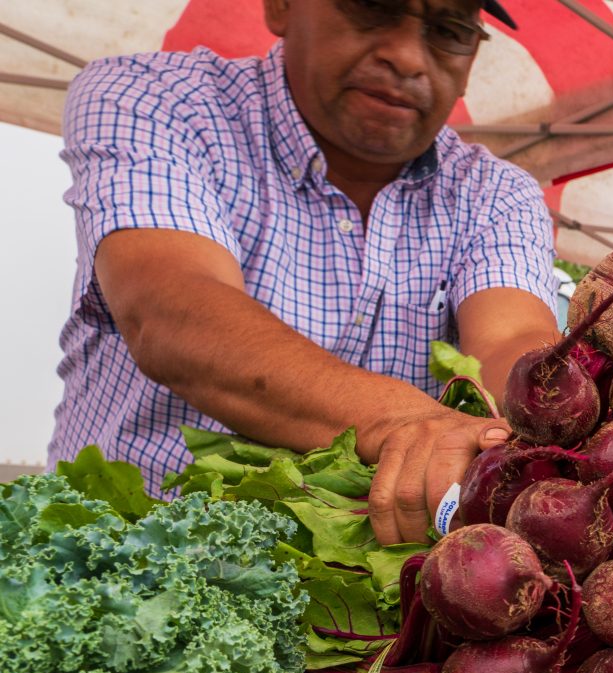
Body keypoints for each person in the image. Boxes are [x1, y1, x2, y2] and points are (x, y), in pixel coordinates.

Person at [48, 0, 560, 546]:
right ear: (281, 6)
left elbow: (513, 344)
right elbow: (172, 313)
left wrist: (572, 405)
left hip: (348, 609)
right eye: (374, 8)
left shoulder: (495, 193)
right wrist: (402, 422)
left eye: (450, 30)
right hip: (120, 558)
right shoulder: (153, 98)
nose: (408, 57)